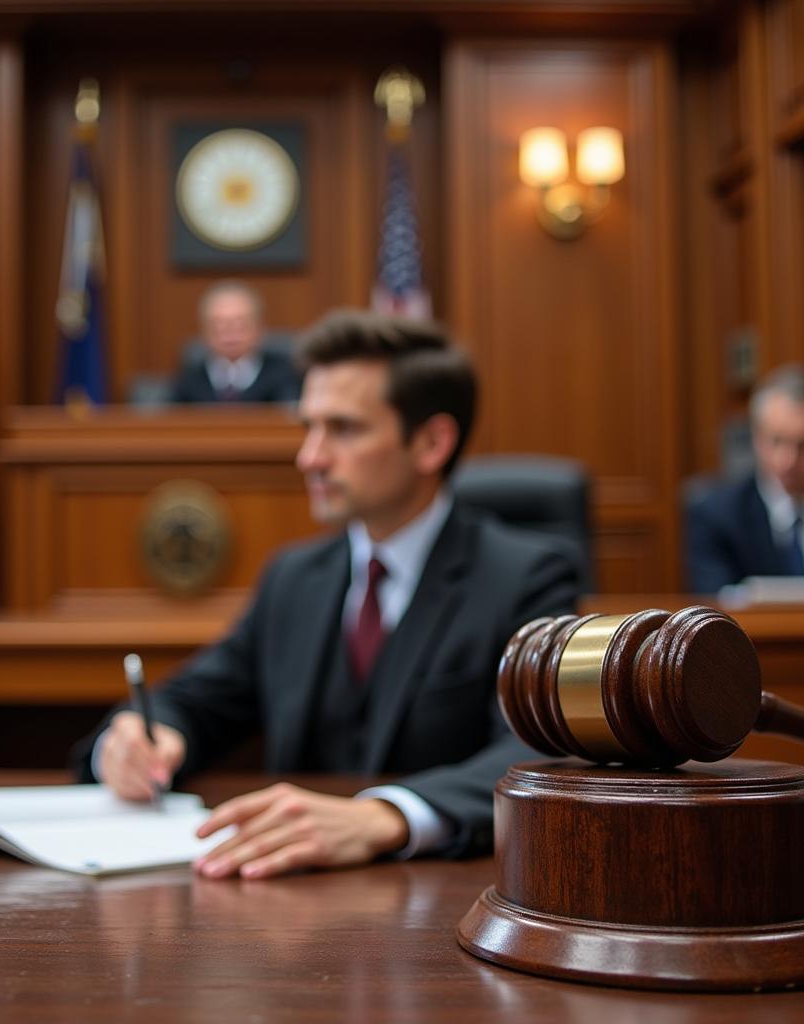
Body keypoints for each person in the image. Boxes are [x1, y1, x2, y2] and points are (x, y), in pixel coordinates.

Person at [74, 310, 578, 878]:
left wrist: (389, 816)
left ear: (432, 442)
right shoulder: (294, 577)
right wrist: (140, 740)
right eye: (308, 427)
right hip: (284, 909)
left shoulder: (528, 577)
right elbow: (196, 698)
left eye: (342, 429)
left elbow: (539, 753)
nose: (308, 457)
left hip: (448, 907)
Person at [685, 364, 804, 593]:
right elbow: (713, 613)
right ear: (756, 438)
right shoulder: (715, 514)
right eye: (776, 441)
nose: (788, 461)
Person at [173, 280, 301, 403]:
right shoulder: (189, 380)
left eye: (240, 324)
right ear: (205, 331)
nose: (230, 333)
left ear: (259, 328)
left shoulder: (284, 376)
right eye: (219, 325)